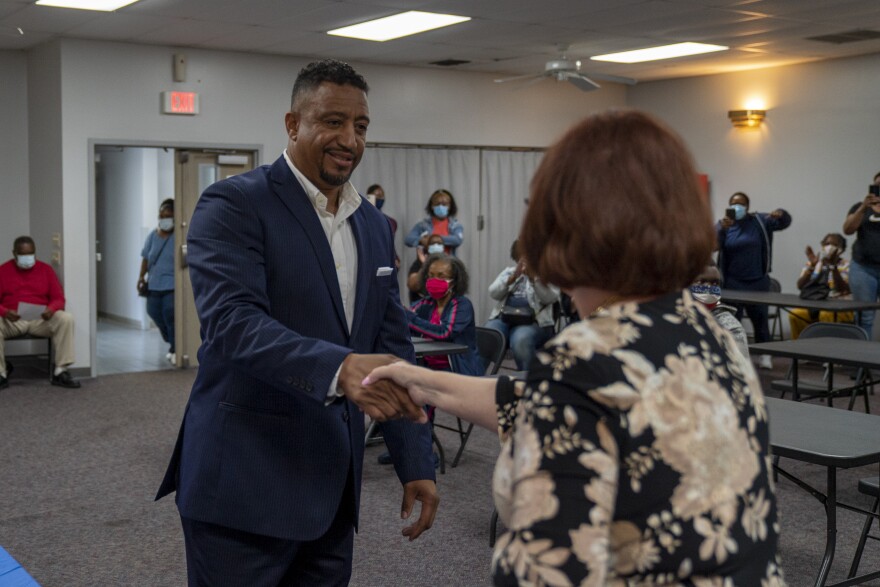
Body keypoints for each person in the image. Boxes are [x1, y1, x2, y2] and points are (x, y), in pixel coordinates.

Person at [364, 110, 784, 585]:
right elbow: (545, 404)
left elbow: (546, 568)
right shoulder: (706, 329)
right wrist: (419, 379)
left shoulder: (588, 357)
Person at [155, 59, 438, 586]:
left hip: (331, 490)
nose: (348, 139)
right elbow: (233, 324)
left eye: (360, 126)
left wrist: (415, 461)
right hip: (243, 487)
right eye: (332, 121)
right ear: (293, 124)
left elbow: (394, 347)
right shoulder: (235, 204)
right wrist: (341, 367)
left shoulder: (374, 226)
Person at [716, 191, 791, 369]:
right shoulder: (725, 225)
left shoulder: (760, 221)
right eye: (734, 203)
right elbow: (712, 246)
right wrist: (721, 229)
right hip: (733, 283)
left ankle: (765, 355)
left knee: (760, 320)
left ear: (748, 206)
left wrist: (781, 213)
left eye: (741, 203)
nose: (737, 206)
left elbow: (784, 222)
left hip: (757, 281)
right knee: (733, 321)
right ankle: (736, 356)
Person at [0, 236, 81, 389]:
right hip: (13, 320)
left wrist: (51, 309)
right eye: (23, 255)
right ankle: (1, 374)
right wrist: (5, 312)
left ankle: (60, 371)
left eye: (31, 254)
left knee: (66, 318)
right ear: (14, 253)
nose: (28, 258)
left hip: (40, 319)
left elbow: (59, 298)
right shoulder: (3, 271)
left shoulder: (46, 270)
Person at [485, 239, 560, 371]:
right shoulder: (509, 272)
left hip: (534, 322)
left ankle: (528, 382)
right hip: (504, 318)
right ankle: (475, 377)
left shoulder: (547, 273)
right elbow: (493, 292)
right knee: (488, 336)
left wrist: (534, 279)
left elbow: (550, 298)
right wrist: (513, 278)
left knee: (520, 340)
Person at [408, 254, 483, 377]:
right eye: (431, 276)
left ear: (454, 281)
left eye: (441, 276)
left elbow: (445, 332)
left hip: (456, 370)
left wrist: (410, 318)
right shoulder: (426, 303)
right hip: (427, 366)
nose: (434, 280)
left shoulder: (462, 305)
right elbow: (406, 319)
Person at [789, 233, 853, 339]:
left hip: (840, 306)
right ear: (822, 245)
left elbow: (843, 289)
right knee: (796, 314)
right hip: (815, 304)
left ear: (842, 249)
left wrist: (833, 267)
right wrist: (812, 267)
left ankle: (824, 350)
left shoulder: (847, 265)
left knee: (826, 314)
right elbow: (800, 286)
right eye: (827, 243)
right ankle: (801, 349)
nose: (830, 247)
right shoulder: (814, 263)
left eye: (835, 245)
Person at [138, 198, 176, 364]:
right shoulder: (152, 236)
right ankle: (172, 341)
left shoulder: (179, 236)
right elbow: (146, 258)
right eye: (162, 215)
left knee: (170, 314)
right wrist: (141, 277)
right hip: (154, 284)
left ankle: (176, 348)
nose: (164, 219)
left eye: (168, 215)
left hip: (172, 284)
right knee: (153, 312)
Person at [842, 171, 880, 338]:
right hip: (863, 269)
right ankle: (862, 361)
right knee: (864, 316)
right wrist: (864, 207)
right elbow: (848, 229)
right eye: (877, 186)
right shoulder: (860, 207)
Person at [690, 263, 750, 358]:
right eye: (700, 282)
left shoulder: (730, 328)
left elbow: (739, 368)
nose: (709, 288)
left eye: (715, 283)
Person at [404, 189, 464, 256]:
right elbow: (408, 240)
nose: (441, 206)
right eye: (437, 204)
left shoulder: (455, 225)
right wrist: (421, 240)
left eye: (444, 204)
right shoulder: (423, 225)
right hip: (426, 262)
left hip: (449, 263)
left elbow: (457, 240)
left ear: (450, 206)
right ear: (432, 206)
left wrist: (432, 239)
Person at [406, 233, 444, 304]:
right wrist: (425, 265)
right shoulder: (419, 262)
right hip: (421, 302)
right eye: (433, 243)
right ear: (428, 247)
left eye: (439, 243)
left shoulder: (447, 262)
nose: (436, 246)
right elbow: (412, 285)